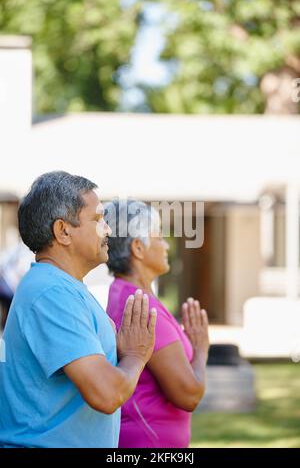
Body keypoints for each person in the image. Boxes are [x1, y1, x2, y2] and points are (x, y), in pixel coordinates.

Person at [0, 172, 157, 448]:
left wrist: (117, 351)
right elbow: (106, 394)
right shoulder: (51, 293)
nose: (108, 230)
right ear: (63, 231)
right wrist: (135, 356)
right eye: (97, 220)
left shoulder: (63, 288)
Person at [105, 199, 210, 448]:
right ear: (138, 248)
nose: (166, 245)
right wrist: (202, 349)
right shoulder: (142, 306)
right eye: (160, 236)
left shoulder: (129, 294)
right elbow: (189, 394)